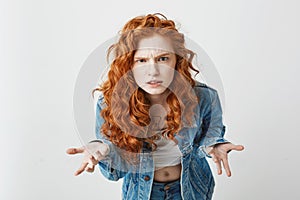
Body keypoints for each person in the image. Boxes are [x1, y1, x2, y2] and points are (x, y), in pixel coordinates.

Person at [67, 13, 244, 200]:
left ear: (177, 60)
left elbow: (209, 136)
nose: (153, 71)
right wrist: (105, 151)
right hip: (142, 193)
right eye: (141, 60)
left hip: (191, 190)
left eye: (163, 59)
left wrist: (214, 145)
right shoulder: (109, 103)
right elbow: (114, 173)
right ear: (128, 65)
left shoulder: (204, 97)